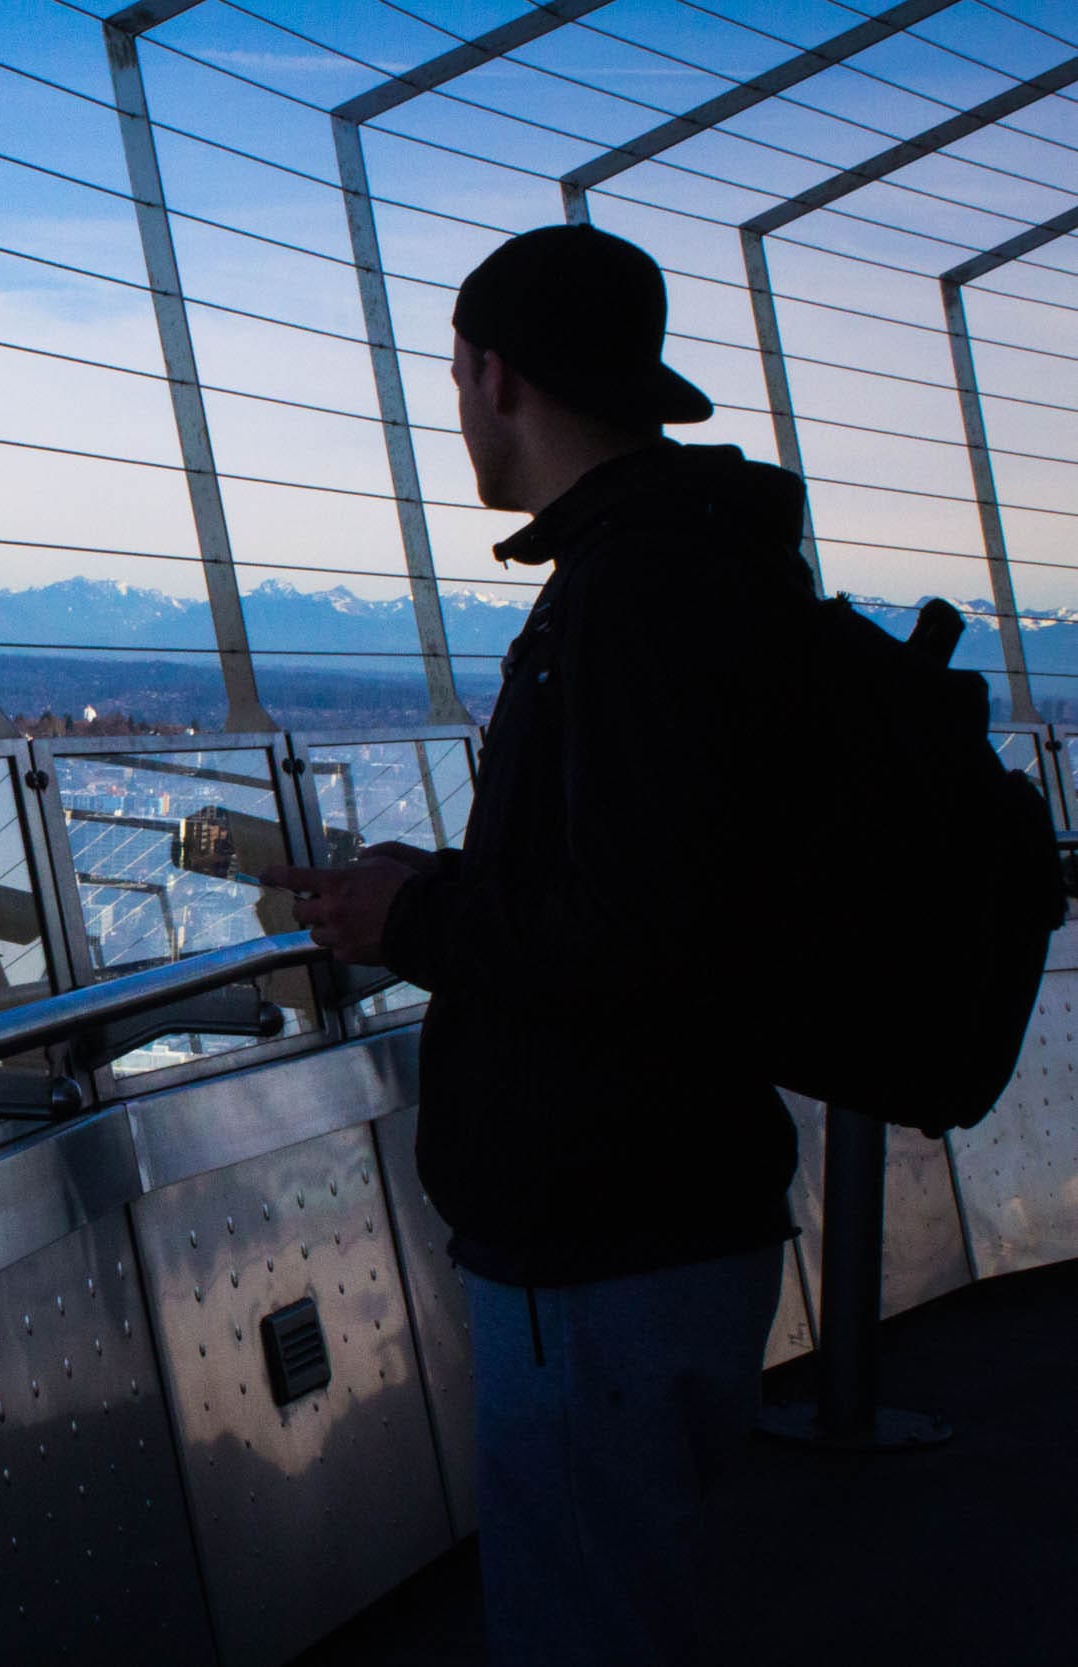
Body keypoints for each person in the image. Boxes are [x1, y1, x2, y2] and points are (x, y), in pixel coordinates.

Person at [265, 224, 810, 1667]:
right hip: (683, 1201)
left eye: (455, 377)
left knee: (593, 1623)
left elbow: (631, 929)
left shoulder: (630, 596)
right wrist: (438, 890)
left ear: (496, 376)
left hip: (601, 1236)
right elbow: (655, 879)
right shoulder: (706, 567)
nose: (457, 409)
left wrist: (415, 916)